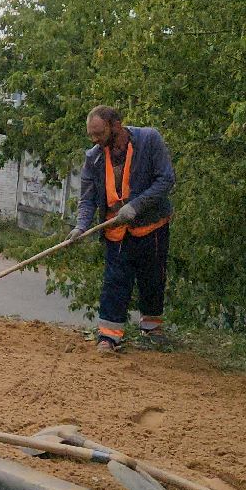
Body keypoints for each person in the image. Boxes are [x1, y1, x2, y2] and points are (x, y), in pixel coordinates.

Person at [68, 105, 175, 351]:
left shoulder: (149, 140)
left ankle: (151, 328)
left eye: (99, 134)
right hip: (116, 231)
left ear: (116, 125)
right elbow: (87, 198)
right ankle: (108, 336)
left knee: (153, 279)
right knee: (115, 281)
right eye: (91, 135)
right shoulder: (93, 158)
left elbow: (166, 180)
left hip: (151, 226)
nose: (95, 140)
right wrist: (81, 226)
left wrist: (136, 206)